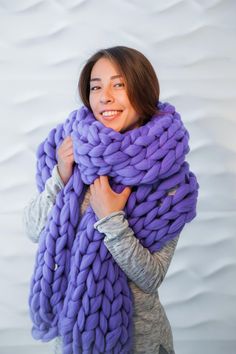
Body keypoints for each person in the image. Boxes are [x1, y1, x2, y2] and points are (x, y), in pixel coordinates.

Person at [23, 46, 198, 354]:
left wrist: (112, 221)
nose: (104, 96)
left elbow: (151, 277)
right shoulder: (70, 151)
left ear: (143, 92)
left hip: (138, 342)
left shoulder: (169, 181)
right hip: (71, 338)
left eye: (118, 85)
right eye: (95, 87)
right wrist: (60, 178)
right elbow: (34, 230)